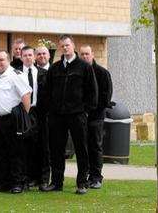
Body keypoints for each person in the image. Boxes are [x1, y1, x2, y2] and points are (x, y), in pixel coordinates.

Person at [43, 35, 98, 195]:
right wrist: (51, 110)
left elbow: (92, 92)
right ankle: (57, 182)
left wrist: (85, 111)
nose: (65, 48)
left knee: (81, 149)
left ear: (73, 46)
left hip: (77, 114)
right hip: (57, 115)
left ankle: (82, 183)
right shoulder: (55, 68)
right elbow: (47, 92)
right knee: (56, 149)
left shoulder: (84, 67)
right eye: (62, 46)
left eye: (67, 45)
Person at [0, 50, 32, 194]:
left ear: (8, 61)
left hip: (11, 120)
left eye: (2, 60)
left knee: (15, 153)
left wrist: (24, 118)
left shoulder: (15, 75)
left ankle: (17, 183)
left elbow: (26, 96)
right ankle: (3, 182)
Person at [80, 45, 113, 189]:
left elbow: (106, 97)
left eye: (87, 54)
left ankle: (96, 177)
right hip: (81, 117)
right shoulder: (79, 72)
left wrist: (91, 111)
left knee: (95, 147)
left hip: (96, 117)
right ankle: (86, 176)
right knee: (83, 148)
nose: (85, 56)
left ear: (92, 54)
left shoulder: (102, 73)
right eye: (82, 54)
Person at [19, 46, 50, 191]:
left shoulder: (44, 73)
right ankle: (27, 178)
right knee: (26, 147)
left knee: (43, 146)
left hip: (40, 113)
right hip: (24, 112)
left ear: (35, 56)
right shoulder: (16, 74)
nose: (28, 58)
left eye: (30, 55)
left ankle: (43, 179)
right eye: (25, 55)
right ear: (21, 57)